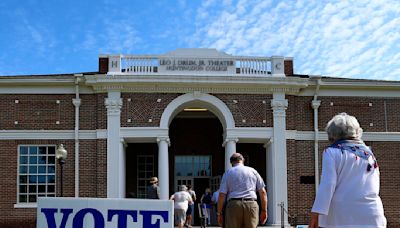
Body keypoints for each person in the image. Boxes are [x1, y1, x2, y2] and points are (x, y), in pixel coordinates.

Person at [309, 113, 387, 228]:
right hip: (372, 213)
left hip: (342, 215)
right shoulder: (369, 154)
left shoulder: (331, 152)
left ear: (331, 134)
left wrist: (315, 214)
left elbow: (327, 185)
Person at [217, 153, 268, 228]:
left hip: (234, 205)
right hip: (251, 205)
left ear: (231, 162)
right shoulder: (253, 171)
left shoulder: (228, 173)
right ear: (242, 160)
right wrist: (264, 210)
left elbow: (222, 195)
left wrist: (219, 213)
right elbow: (263, 192)